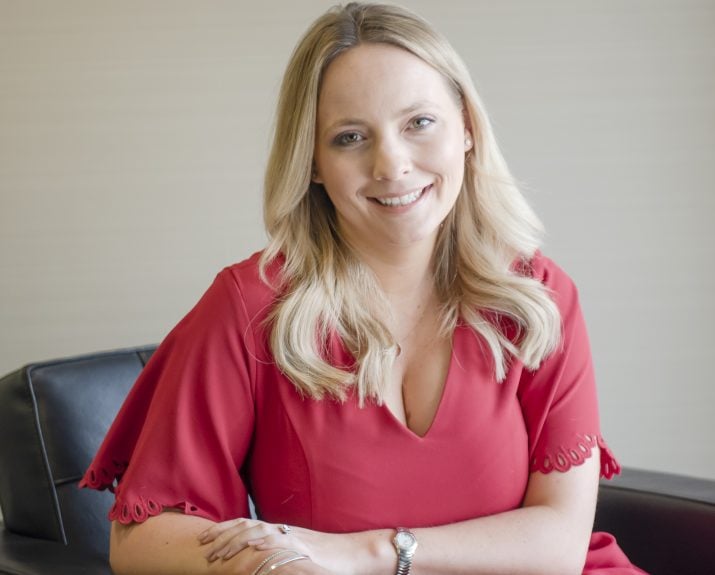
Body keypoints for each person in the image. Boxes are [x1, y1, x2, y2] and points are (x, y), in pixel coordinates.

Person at [81, 3, 649, 574]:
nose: (391, 165)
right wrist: (279, 566)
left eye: (419, 123)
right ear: (312, 162)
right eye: (350, 137)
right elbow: (141, 542)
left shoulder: (538, 299)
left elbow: (559, 547)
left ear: (467, 129)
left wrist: (368, 552)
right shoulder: (251, 308)